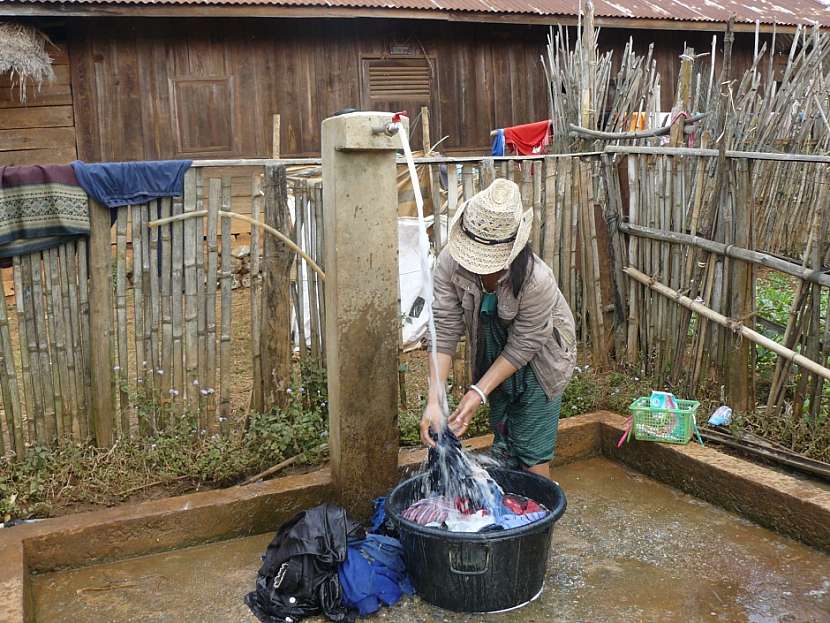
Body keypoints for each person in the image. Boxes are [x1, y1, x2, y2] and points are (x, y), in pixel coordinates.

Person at [420, 178, 576, 479]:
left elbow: (524, 345)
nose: (478, 266)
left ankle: (538, 520)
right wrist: (434, 400)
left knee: (532, 450)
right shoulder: (450, 264)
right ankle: (508, 512)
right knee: (505, 437)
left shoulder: (537, 280)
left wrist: (477, 392)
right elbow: (444, 328)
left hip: (542, 360)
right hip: (494, 353)